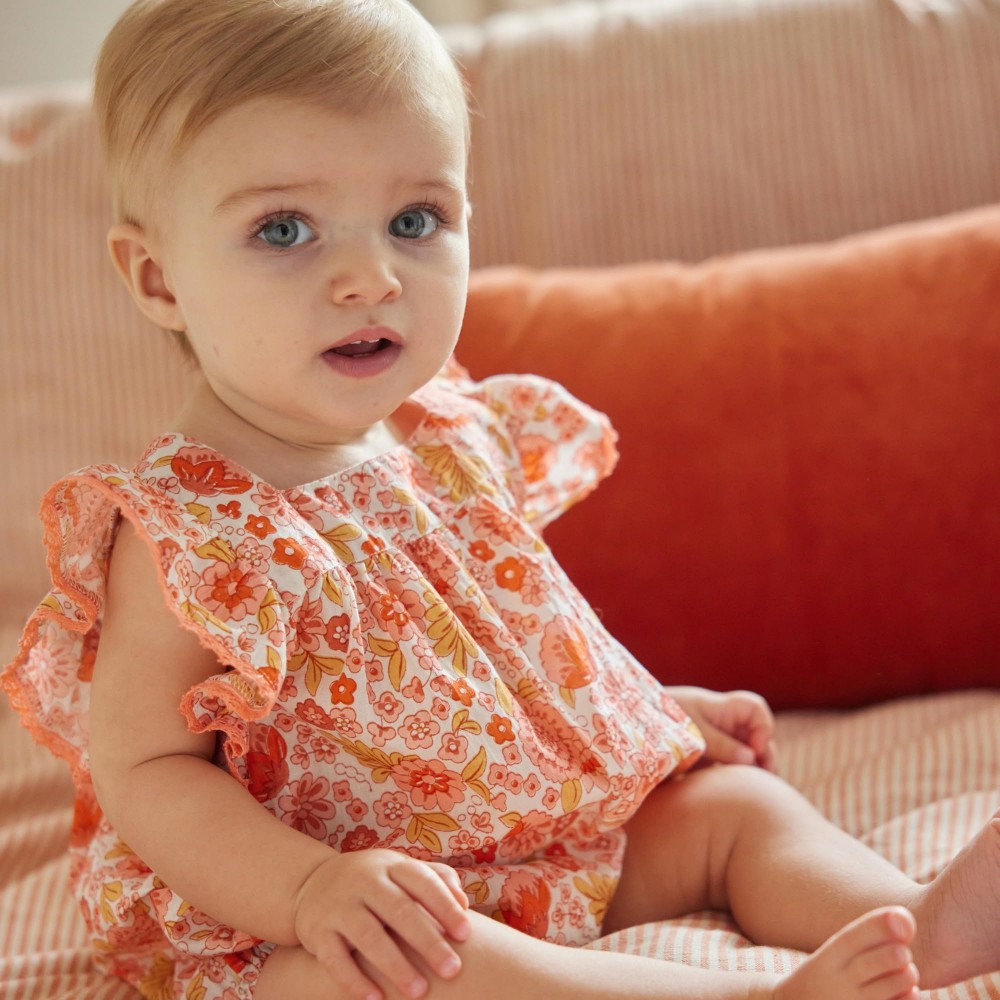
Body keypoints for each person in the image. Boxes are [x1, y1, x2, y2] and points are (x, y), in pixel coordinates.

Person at [3, 0, 1000, 998]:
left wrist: (649, 719)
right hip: (334, 906)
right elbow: (148, 772)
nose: (370, 277)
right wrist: (310, 889)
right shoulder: (189, 531)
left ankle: (912, 920)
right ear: (158, 278)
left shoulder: (446, 436)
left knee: (733, 811)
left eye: (413, 220)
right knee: (414, 969)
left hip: (528, 843)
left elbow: (515, 644)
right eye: (284, 229)